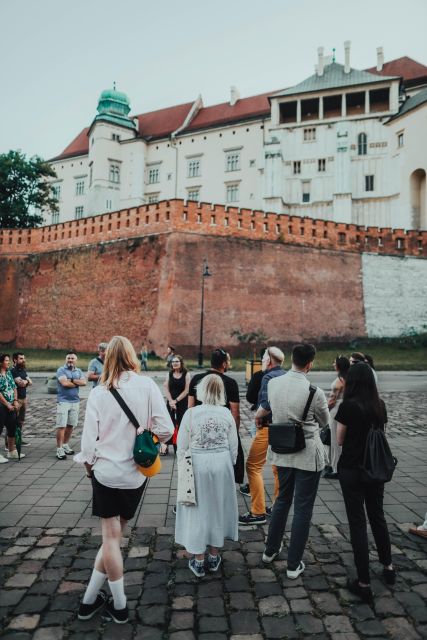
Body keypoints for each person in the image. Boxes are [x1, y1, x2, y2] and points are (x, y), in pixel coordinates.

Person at [74, 336, 173, 624]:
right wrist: (147, 438)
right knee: (114, 540)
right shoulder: (147, 385)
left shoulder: (99, 392)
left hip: (105, 473)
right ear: (131, 356)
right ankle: (89, 601)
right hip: (135, 475)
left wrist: (88, 468)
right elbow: (166, 429)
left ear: (106, 358)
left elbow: (88, 442)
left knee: (110, 540)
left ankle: (119, 606)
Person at [259, 344, 329, 579]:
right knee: (303, 508)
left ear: (292, 359)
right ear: (310, 363)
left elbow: (271, 411)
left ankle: (270, 550)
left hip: (281, 449)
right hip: (307, 453)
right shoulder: (314, 392)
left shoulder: (272, 383)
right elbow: (324, 421)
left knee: (281, 501)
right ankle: (293, 564)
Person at [336, 362, 395, 603]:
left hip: (351, 469)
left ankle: (363, 582)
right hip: (374, 469)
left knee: (358, 523)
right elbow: (380, 433)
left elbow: (339, 440)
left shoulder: (347, 406)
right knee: (377, 516)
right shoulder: (379, 405)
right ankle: (388, 567)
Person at [175, 374, 238, 578]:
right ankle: (213, 555)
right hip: (221, 463)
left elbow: (182, 446)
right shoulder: (226, 413)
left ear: (201, 391)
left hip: (198, 464)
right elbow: (233, 446)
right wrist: (229, 464)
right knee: (217, 507)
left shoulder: (191, 413)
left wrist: (182, 467)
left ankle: (199, 560)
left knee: (197, 509)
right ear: (221, 392)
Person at [239, 347, 285, 526]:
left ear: (269, 361)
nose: (263, 360)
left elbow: (265, 403)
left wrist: (258, 417)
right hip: (282, 428)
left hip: (267, 427)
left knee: (253, 466)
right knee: (277, 468)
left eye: (265, 357)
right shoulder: (286, 375)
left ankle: (257, 511)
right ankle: (277, 506)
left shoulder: (268, 376)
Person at [188, 348, 240, 430]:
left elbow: (190, 408)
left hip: (200, 425)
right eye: (228, 361)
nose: (229, 364)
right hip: (221, 426)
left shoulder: (196, 379)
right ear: (224, 364)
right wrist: (235, 433)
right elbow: (235, 413)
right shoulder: (231, 382)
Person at [56, 351, 87, 460]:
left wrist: (72, 380)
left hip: (75, 401)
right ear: (66, 359)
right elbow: (64, 383)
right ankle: (59, 449)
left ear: (76, 360)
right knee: (61, 425)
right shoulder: (61, 370)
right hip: (63, 401)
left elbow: (84, 383)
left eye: (72, 358)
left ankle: (65, 444)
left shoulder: (78, 371)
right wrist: (76, 382)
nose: (70, 360)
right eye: (68, 358)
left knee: (71, 425)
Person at [323, 355, 350, 479]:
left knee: (335, 441)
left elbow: (332, 401)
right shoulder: (350, 378)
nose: (333, 365)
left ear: (339, 366)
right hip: (347, 410)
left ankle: (336, 468)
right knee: (344, 441)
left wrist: (324, 412)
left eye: (334, 363)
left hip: (336, 412)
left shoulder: (338, 381)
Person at [163, 354, 190, 454]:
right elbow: (166, 388)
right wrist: (171, 401)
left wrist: (176, 401)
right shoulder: (169, 374)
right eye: (173, 362)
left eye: (177, 361)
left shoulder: (186, 374)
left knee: (182, 425)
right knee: (170, 425)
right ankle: (167, 446)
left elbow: (187, 390)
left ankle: (180, 446)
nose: (174, 363)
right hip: (171, 404)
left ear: (181, 363)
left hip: (182, 403)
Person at [0, 354, 25, 462]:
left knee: (12, 427)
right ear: (0, 363)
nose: (8, 362)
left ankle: (11, 451)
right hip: (2, 405)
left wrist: (15, 401)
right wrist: (7, 404)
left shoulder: (9, 373)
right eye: (6, 361)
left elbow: (14, 387)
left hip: (11, 404)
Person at [10, 352, 32, 447]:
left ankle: (18, 439)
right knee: (13, 422)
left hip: (24, 399)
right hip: (16, 399)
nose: (23, 360)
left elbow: (30, 382)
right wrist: (26, 381)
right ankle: (9, 443)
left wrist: (26, 381)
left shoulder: (22, 370)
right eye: (21, 358)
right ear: (15, 360)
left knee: (21, 421)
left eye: (23, 358)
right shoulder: (13, 371)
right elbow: (21, 384)